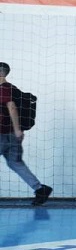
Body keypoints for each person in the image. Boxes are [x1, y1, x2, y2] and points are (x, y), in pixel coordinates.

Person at [0, 62, 51, 205]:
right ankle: (40, 189)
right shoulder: (13, 88)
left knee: (15, 163)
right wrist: (18, 131)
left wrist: (17, 129)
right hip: (13, 135)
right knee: (15, 163)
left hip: (3, 134)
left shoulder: (3, 89)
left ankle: (40, 189)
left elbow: (11, 107)